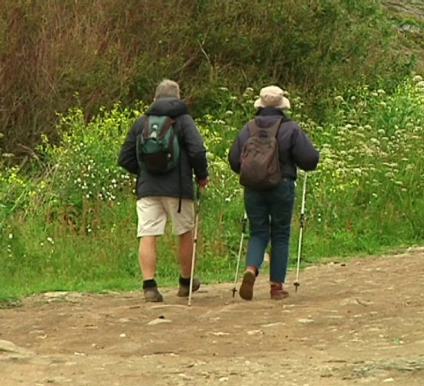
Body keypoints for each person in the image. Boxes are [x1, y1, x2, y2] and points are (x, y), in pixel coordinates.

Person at [117, 79, 210, 302]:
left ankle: (149, 286)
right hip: (178, 190)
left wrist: (143, 172)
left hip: (148, 189)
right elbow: (197, 150)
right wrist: (202, 176)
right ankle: (185, 282)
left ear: (155, 98)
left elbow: (124, 158)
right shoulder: (184, 121)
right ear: (178, 98)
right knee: (185, 232)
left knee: (148, 235)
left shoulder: (142, 122)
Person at [229, 85, 319, 301]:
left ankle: (251, 269)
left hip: (253, 188)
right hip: (282, 186)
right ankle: (276, 287)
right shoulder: (290, 128)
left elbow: (234, 161)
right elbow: (310, 160)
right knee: (280, 234)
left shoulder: (248, 128)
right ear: (282, 105)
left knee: (258, 232)